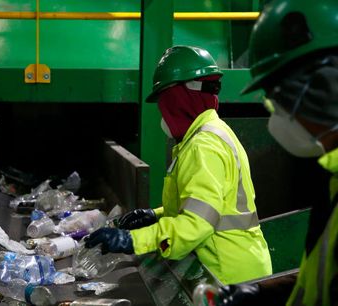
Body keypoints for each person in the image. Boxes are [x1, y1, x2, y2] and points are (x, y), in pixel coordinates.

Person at [85, 45, 272, 285]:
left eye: (163, 100)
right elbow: (207, 205)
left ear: (178, 97)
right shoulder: (214, 132)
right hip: (237, 265)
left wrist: (133, 240)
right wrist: (155, 214)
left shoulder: (202, 146)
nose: (162, 111)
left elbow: (196, 224)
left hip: (228, 275)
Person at [215, 0, 338, 305]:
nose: (277, 115)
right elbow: (323, 277)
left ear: (324, 87)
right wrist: (262, 291)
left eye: (278, 100)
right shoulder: (332, 175)